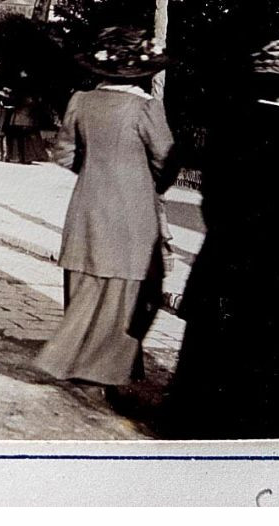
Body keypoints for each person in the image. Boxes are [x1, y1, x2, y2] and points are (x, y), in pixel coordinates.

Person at [165, 38, 279, 439]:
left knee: (210, 349)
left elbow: (209, 196)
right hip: (276, 263)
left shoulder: (227, 124)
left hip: (223, 256)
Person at [34, 27, 174, 392]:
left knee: (84, 282)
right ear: (142, 72)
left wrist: (95, 169)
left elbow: (64, 154)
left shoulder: (80, 101)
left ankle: (70, 357)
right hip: (134, 211)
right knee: (127, 289)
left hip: (87, 206)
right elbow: (166, 159)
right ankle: (111, 368)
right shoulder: (146, 109)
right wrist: (148, 182)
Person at [3, 74, 51, 165]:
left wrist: (8, 95)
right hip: (29, 117)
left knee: (18, 137)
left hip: (19, 116)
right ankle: (28, 157)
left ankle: (17, 156)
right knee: (28, 138)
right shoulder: (34, 92)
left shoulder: (19, 89)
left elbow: (14, 100)